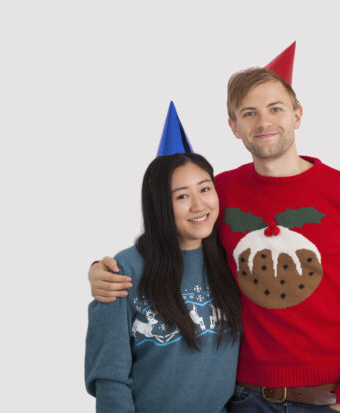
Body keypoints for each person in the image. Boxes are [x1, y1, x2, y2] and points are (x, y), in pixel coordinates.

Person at [89, 43, 340, 413]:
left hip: (327, 398)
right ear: (234, 127)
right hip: (242, 398)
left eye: (276, 109)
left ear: (298, 115)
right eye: (249, 113)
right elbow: (174, 237)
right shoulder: (221, 192)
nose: (264, 122)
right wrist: (104, 270)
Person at [85, 132, 243, 412]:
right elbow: (110, 376)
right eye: (182, 196)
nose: (198, 205)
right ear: (159, 205)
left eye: (205, 189)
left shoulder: (230, 261)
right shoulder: (123, 271)